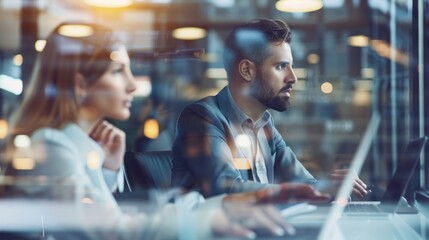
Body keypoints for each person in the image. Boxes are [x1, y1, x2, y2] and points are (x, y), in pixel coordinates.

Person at [1, 21, 328, 239]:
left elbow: (95, 220)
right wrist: (211, 214)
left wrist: (107, 170)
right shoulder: (51, 148)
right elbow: (114, 231)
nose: (132, 84)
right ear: (80, 85)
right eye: (119, 71)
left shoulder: (72, 149)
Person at [172, 18, 368, 199]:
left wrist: (329, 187)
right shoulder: (201, 117)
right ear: (247, 71)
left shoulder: (265, 124)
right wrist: (312, 190)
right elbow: (226, 188)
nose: (293, 78)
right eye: (281, 66)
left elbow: (302, 183)